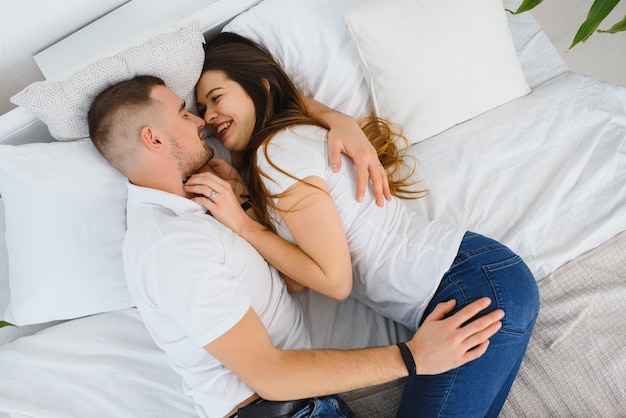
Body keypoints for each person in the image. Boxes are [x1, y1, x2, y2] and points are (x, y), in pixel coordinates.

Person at [88, 74, 507, 418]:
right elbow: (269, 374)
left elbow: (292, 284)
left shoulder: (199, 209)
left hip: (304, 401)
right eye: (183, 113)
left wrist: (245, 203)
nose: (200, 122)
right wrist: (413, 358)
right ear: (154, 139)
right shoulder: (170, 246)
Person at [186, 32, 540, 417]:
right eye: (202, 107)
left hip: (465, 287)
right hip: (478, 279)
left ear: (261, 87)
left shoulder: (276, 154)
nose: (208, 117)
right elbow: (296, 280)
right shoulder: (276, 156)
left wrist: (240, 223)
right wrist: (244, 203)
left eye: (217, 97)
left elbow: (335, 283)